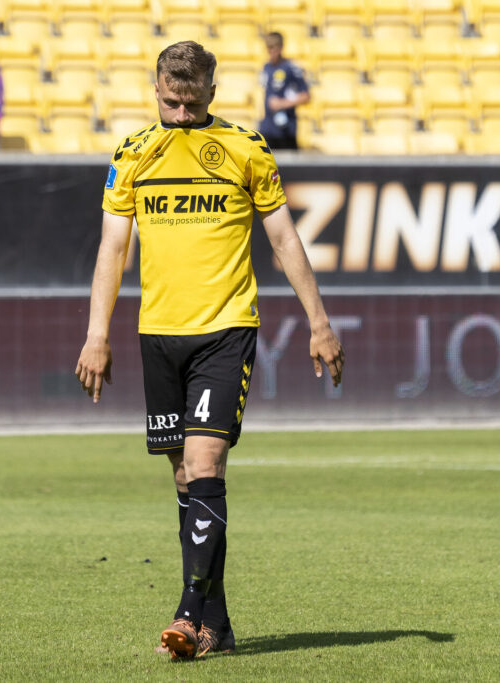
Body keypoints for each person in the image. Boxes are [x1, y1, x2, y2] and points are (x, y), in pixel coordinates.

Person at [75, 41, 344, 661]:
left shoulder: (246, 149)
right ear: (156, 91)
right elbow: (113, 250)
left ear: (212, 94)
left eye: (191, 103)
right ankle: (216, 625)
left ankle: (187, 612)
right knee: (183, 476)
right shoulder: (133, 153)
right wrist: (97, 333)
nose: (180, 113)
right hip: (158, 334)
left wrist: (319, 322)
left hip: (226, 330)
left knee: (205, 464)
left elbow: (283, 239)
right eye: (170, 102)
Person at [258, 32, 310, 151]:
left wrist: (282, 103)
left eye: (273, 48)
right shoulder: (266, 67)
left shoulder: (291, 68)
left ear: (281, 48)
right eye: (268, 48)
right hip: (268, 128)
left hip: (286, 130)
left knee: (289, 168)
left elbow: (306, 96)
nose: (270, 52)